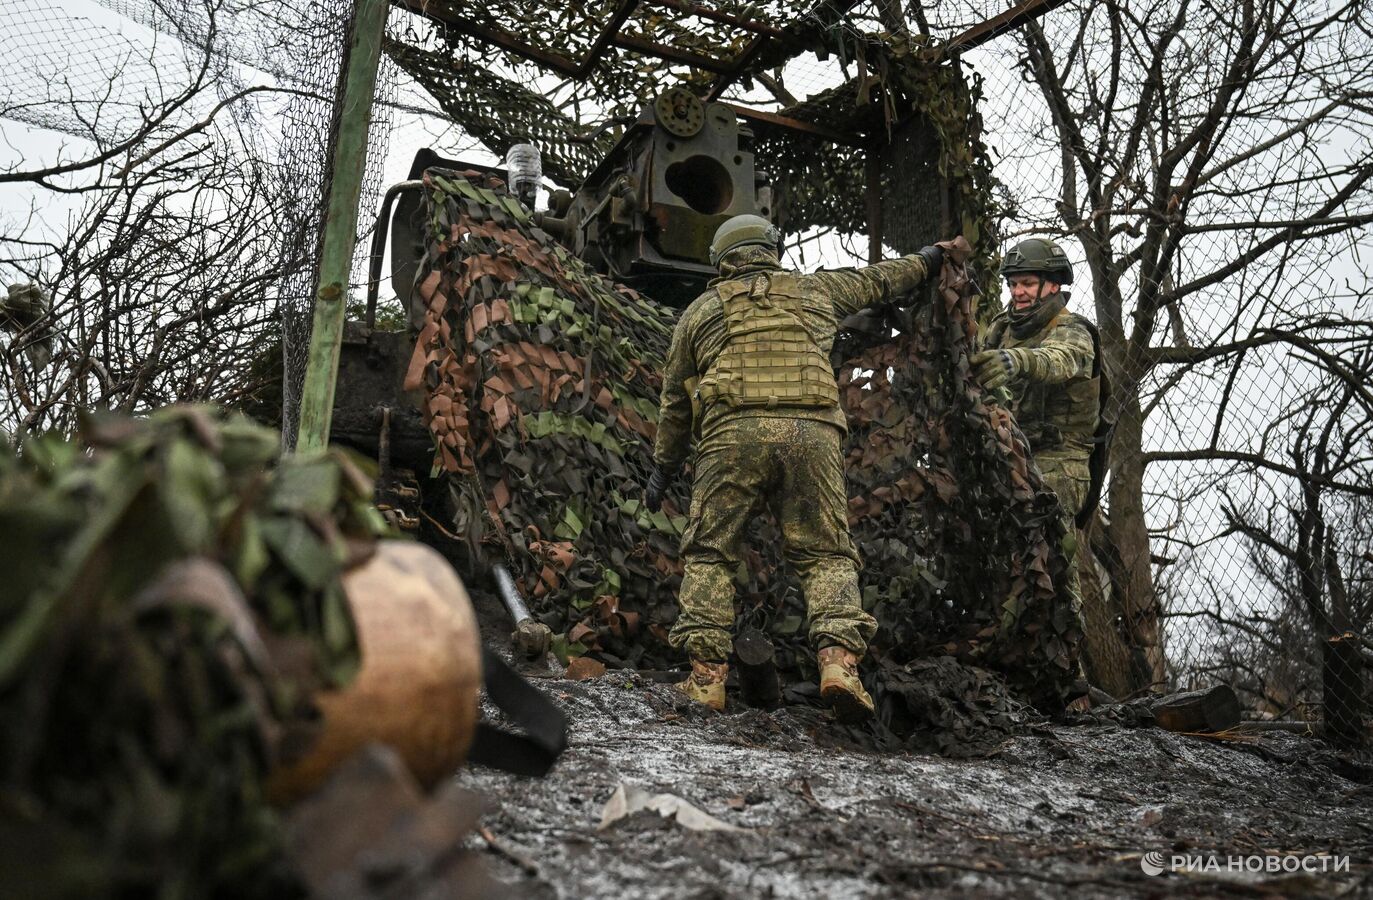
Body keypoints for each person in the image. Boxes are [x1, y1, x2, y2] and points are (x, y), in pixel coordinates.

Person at [645, 213, 943, 720]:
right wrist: (928, 260)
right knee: (825, 553)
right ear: (769, 249)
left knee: (711, 553)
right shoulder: (817, 290)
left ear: (721, 258)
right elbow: (879, 279)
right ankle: (839, 668)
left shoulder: (700, 311)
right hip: (813, 433)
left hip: (731, 434)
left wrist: (663, 468)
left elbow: (676, 400)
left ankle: (706, 681)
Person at [970, 237, 1106, 710]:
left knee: (1054, 560)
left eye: (1026, 283)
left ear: (1052, 285)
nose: (1018, 292)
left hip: (1060, 462)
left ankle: (1071, 683)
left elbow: (1059, 362)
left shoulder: (1073, 331)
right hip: (1009, 458)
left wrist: (1015, 362)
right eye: (1013, 283)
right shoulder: (1001, 329)